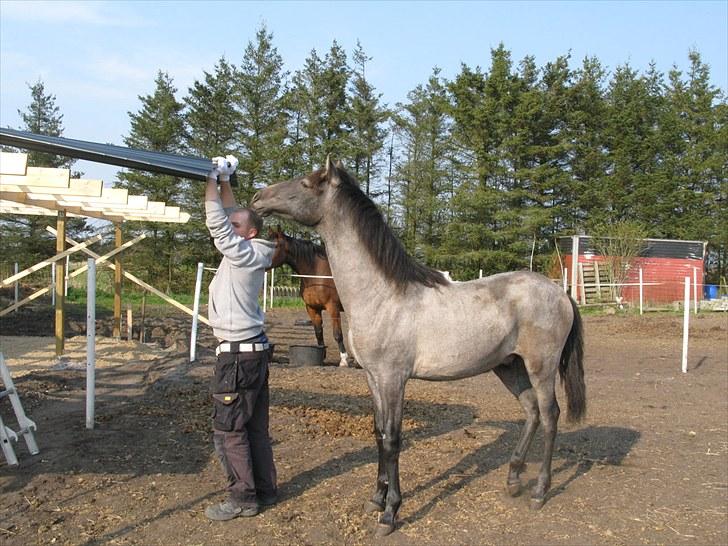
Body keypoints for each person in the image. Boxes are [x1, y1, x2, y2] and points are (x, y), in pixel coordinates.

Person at [203, 155, 278, 521]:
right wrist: (225, 180)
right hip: (253, 354)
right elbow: (233, 212)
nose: (230, 226)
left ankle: (243, 499)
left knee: (229, 430)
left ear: (248, 233)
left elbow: (219, 222)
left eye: (237, 225)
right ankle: (264, 490)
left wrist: (206, 181)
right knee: (255, 430)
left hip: (235, 358)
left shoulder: (242, 253)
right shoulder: (247, 250)